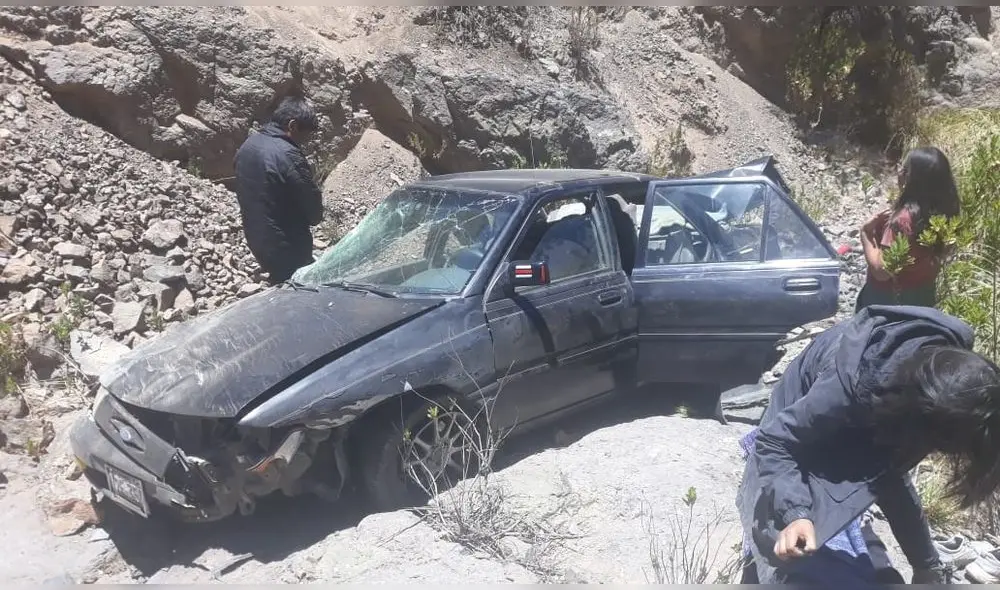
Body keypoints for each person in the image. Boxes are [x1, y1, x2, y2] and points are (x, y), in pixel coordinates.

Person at [736, 304, 1000, 585]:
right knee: (784, 544)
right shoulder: (841, 393)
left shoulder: (949, 389)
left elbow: (890, 476)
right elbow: (776, 442)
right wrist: (796, 514)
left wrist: (926, 564)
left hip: (869, 408)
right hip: (797, 421)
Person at [856, 147, 961, 312]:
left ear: (910, 179)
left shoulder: (903, 220)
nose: (899, 171)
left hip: (886, 303)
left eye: (903, 168)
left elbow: (881, 272)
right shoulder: (945, 214)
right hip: (924, 300)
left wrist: (865, 234)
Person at [234, 96, 324, 284]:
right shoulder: (288, 155)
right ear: (293, 126)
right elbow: (314, 213)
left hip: (257, 241)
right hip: (288, 247)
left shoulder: (247, 146)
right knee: (297, 291)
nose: (305, 142)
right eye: (305, 135)